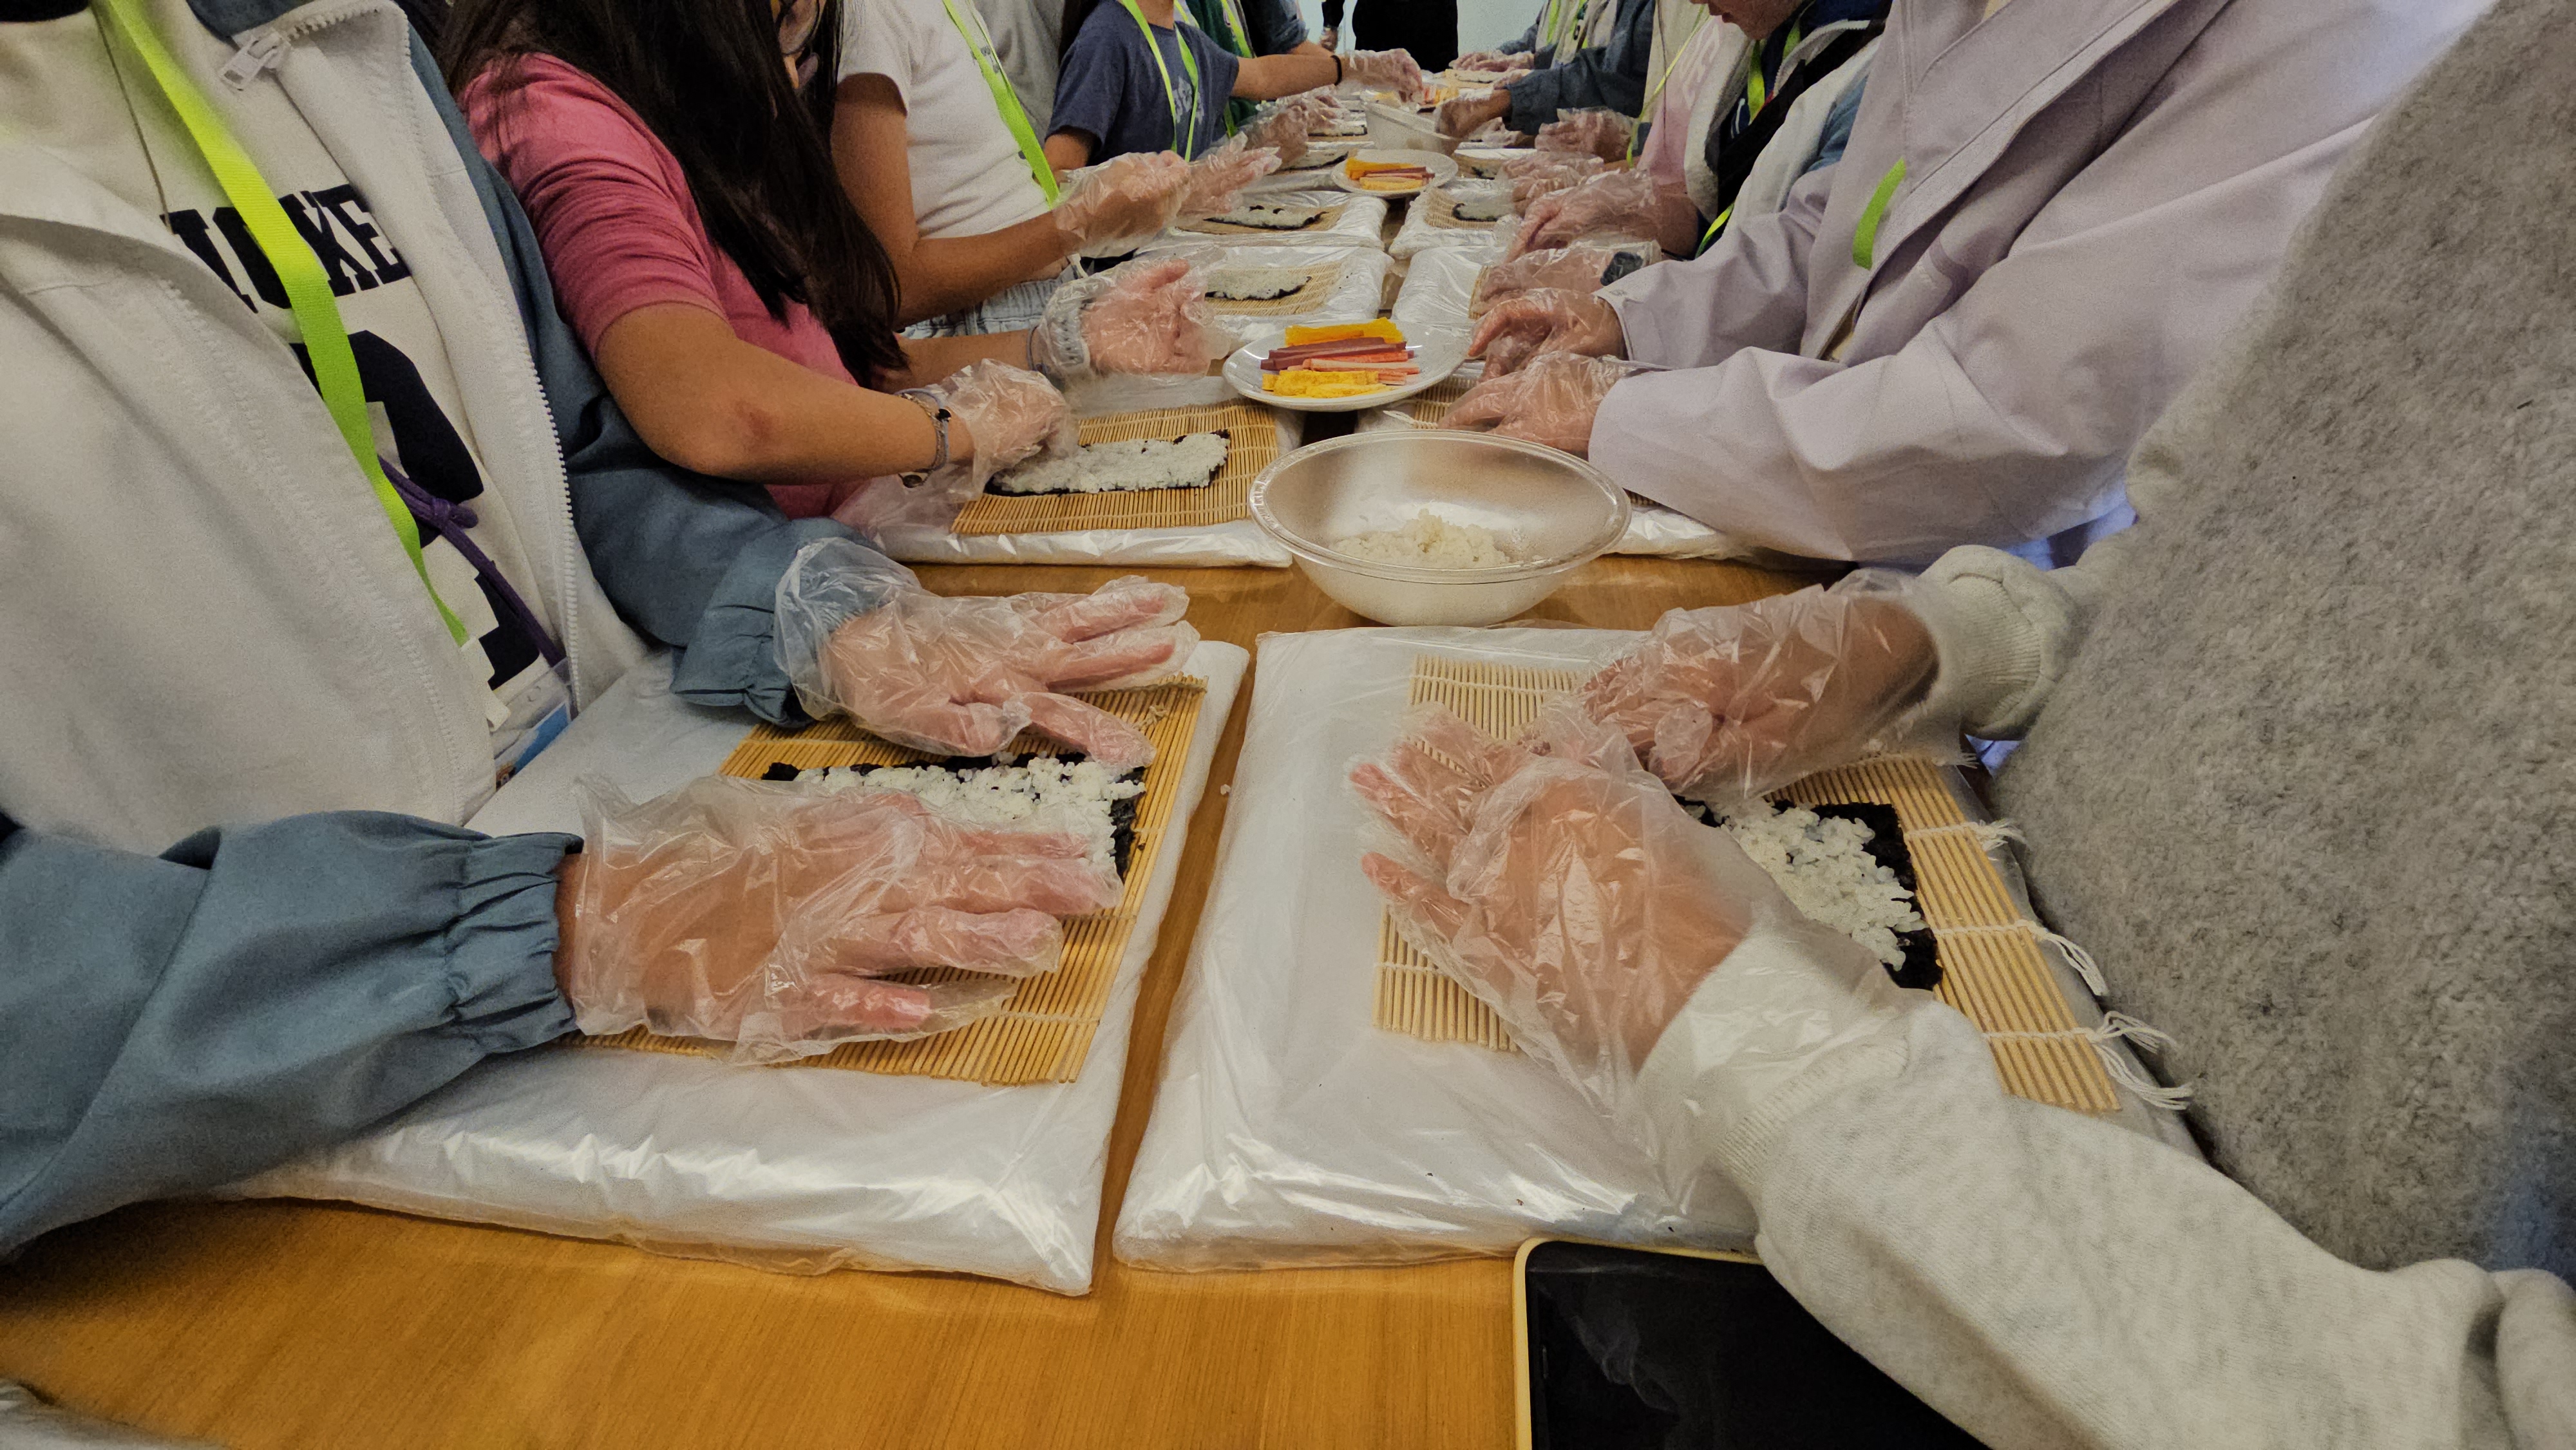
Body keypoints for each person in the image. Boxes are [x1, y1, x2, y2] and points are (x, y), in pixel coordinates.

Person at [1352, 1, 2576, 1438]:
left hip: (2129, 1273)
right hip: (2012, 960)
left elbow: (2477, 1406)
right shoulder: (2512, 68)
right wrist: (1933, 641)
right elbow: (2235, 550)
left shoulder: (2372, 30)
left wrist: (1765, 1049)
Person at [0, 0, 1195, 1254]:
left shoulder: (338, 45)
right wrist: (551, 926)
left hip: (626, 827)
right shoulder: (535, 100)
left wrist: (808, 610)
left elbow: (577, 453)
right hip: (249, 1117)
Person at [1451, 0, 2487, 567]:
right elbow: (1842, 229)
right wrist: (1634, 318)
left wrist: (1627, 412)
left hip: (1999, 578)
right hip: (1831, 497)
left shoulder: (2349, 23)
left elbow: (2020, 414)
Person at [453, 0, 1229, 525]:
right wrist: (952, 427)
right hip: (779, 567)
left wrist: (1059, 345)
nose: (790, 77)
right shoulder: (553, 113)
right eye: (783, 28)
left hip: (861, 523)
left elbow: (851, 364)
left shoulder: (690, 109)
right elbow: (719, 410)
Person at [829, 0, 1190, 335]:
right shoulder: (872, 15)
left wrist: (1109, 199)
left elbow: (986, 178)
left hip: (1048, 294)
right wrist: (1082, 221)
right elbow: (892, 288)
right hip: (983, 320)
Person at [1043, 0, 1420, 167]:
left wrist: (1355, 67)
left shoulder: (1184, 39)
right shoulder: (1108, 38)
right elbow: (1059, 175)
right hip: (1128, 267)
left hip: (1176, 244)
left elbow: (1262, 77)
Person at [1435, 0, 1652, 138]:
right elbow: (1565, 43)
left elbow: (1612, 75)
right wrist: (1521, 58)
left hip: (1612, 146)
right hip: (1560, 120)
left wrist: (1512, 99)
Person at [1320, 0, 1457, 74]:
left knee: (1434, 96)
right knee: (1372, 93)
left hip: (1434, 27)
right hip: (1378, 26)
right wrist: (1331, 23)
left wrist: (1331, 23)